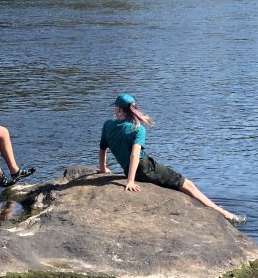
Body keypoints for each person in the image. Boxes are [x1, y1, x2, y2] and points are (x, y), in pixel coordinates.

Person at [98, 93, 246, 223]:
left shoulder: (107, 125)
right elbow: (135, 154)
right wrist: (130, 181)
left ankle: (213, 208)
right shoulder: (138, 129)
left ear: (118, 109)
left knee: (184, 186)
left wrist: (104, 169)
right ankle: (226, 215)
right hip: (145, 168)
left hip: (133, 169)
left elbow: (103, 148)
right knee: (188, 184)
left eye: (115, 107)